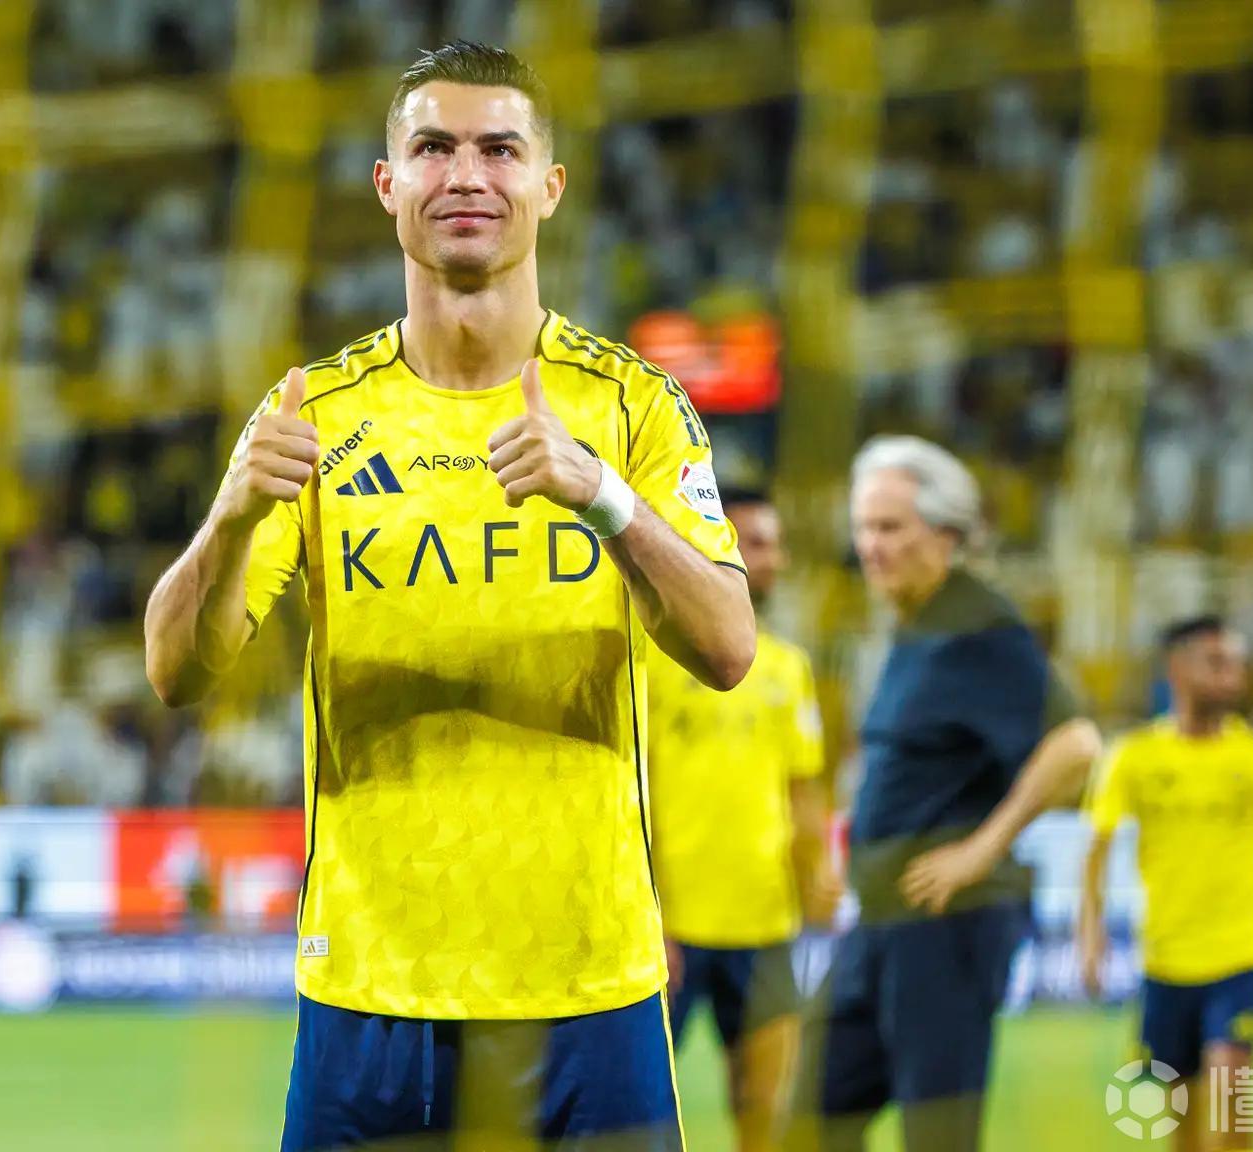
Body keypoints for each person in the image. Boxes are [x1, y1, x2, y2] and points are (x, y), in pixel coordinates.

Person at [144, 40, 756, 1151]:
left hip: (588, 984)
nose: (466, 175)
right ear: (388, 185)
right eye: (433, 147)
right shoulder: (313, 413)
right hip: (371, 990)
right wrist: (228, 521)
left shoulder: (634, 407)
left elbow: (727, 648)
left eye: (499, 150)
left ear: (549, 186)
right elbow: (177, 671)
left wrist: (603, 497)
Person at [789, 435, 1102, 1152]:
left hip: (945, 927)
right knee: (807, 1123)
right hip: (878, 925)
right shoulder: (914, 624)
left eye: (890, 527)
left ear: (948, 535)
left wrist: (979, 851)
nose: (871, 546)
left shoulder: (977, 624)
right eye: (864, 528)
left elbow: (1077, 744)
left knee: (937, 1138)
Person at [649, 493, 836, 1152]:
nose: (773, 559)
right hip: (671, 927)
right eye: (757, 543)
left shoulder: (788, 667)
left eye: (776, 545)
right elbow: (630, 793)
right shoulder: (651, 660)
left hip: (765, 924)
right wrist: (651, 912)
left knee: (764, 1104)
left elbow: (802, 789)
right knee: (641, 1108)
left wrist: (819, 872)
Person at [1078, 616, 1253, 1152]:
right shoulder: (1133, 757)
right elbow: (1095, 853)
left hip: (1237, 958)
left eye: (1237, 664)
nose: (1232, 676)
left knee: (1231, 1108)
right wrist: (1090, 934)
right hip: (1164, 963)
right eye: (1217, 663)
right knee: (1183, 1129)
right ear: (1177, 670)